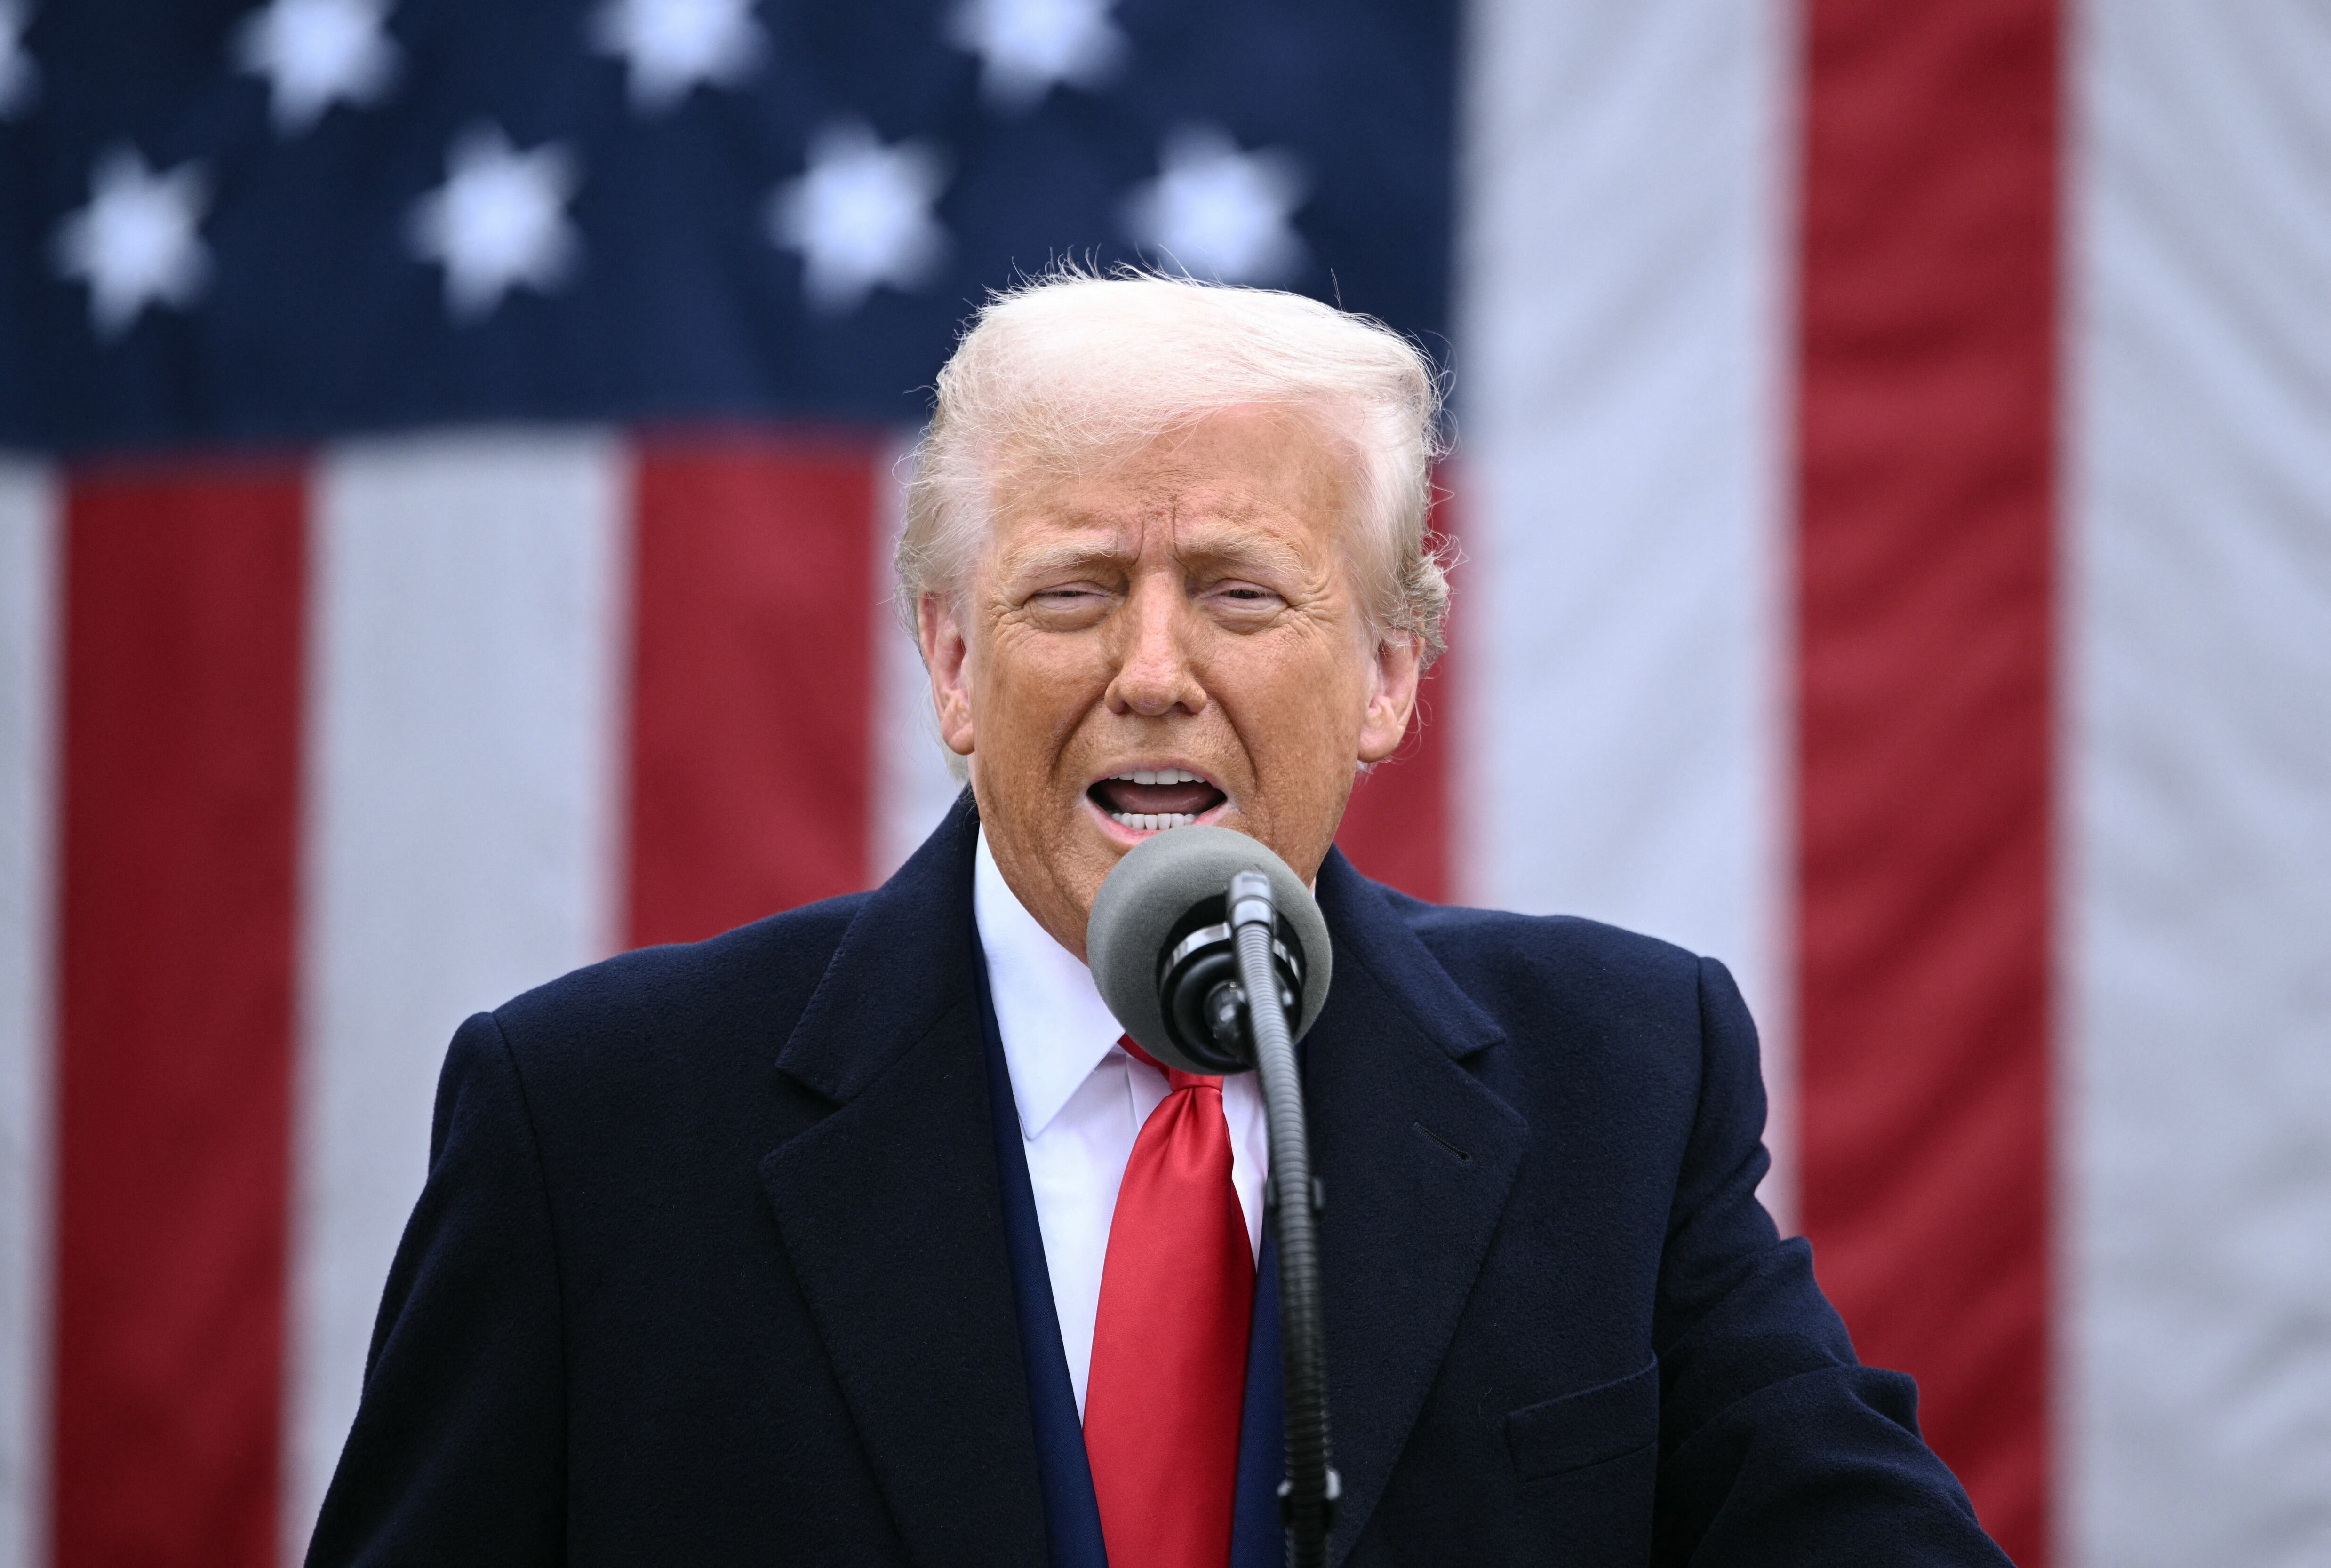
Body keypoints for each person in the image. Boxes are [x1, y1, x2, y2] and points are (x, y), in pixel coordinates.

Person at [306, 272, 2011, 1567]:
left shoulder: (1618, 1083)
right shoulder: (595, 1124)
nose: (1151, 673)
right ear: (953, 663)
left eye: (1239, 594)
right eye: (1072, 595)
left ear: (1389, 674)